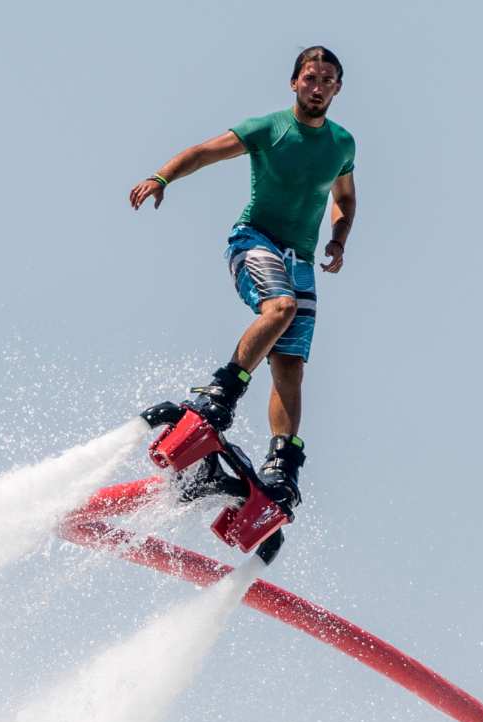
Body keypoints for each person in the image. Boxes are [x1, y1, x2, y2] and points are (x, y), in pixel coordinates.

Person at [128, 45, 357, 511]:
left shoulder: (342, 144)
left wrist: (339, 238)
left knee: (290, 365)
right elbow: (203, 152)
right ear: (294, 82)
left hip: (302, 258)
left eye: (326, 80)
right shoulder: (270, 129)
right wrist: (162, 177)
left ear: (338, 88)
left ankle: (281, 463)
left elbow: (345, 198)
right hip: (254, 240)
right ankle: (222, 391)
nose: (317, 87)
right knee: (281, 308)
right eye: (310, 77)